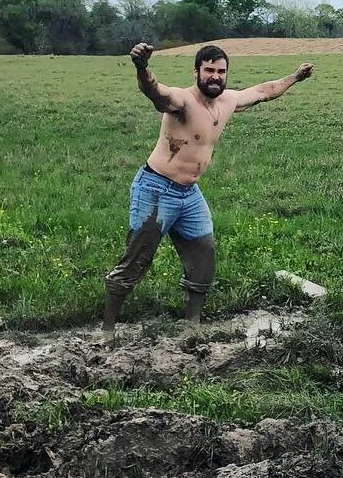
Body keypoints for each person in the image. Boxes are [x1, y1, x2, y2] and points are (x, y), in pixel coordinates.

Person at [102, 42, 313, 337]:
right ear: (197, 71)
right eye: (209, 70)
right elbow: (157, 93)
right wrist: (142, 67)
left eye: (221, 71)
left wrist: (294, 77)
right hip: (156, 189)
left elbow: (265, 91)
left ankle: (192, 327)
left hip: (189, 194)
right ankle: (107, 329)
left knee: (204, 256)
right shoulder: (182, 101)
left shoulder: (228, 101)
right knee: (137, 258)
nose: (215, 76)